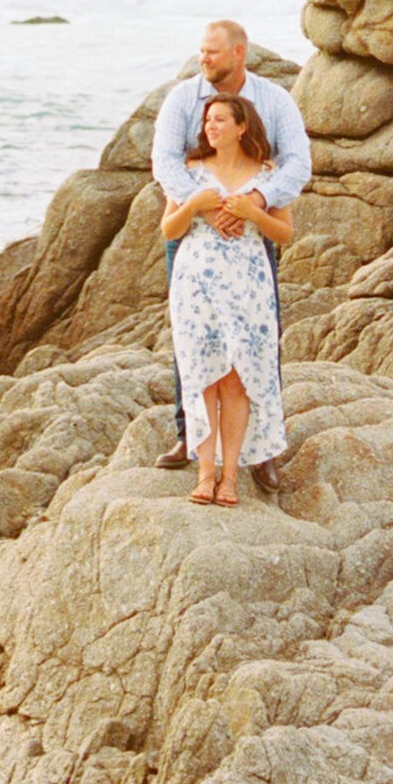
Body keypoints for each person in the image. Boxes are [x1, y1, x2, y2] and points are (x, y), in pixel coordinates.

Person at [151, 21, 311, 473]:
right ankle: (189, 437)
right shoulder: (183, 100)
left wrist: (256, 200)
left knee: (259, 340)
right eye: (201, 51)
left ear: (239, 53)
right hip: (194, 234)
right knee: (192, 337)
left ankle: (264, 451)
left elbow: (298, 163)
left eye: (213, 53)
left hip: (250, 238)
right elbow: (164, 161)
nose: (204, 59)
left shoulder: (275, 101)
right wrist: (208, 208)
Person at [162, 91, 292, 505]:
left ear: (241, 127)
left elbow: (285, 234)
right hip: (196, 282)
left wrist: (253, 213)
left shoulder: (268, 175)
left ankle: (231, 476)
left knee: (236, 378)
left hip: (248, 283)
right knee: (203, 375)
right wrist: (196, 205)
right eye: (207, 120)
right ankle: (204, 473)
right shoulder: (191, 173)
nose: (210, 127)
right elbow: (168, 230)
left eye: (220, 120)